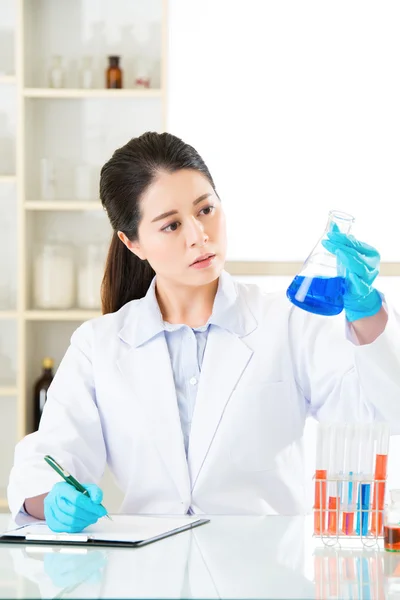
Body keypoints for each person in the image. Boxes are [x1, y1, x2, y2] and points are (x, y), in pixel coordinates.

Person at [8, 132, 400, 533]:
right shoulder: (99, 345)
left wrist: (368, 315)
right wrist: (53, 498)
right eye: (171, 225)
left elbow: (378, 418)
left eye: (206, 209)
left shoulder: (287, 323)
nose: (198, 235)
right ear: (132, 243)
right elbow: (51, 455)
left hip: (266, 577)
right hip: (147, 574)